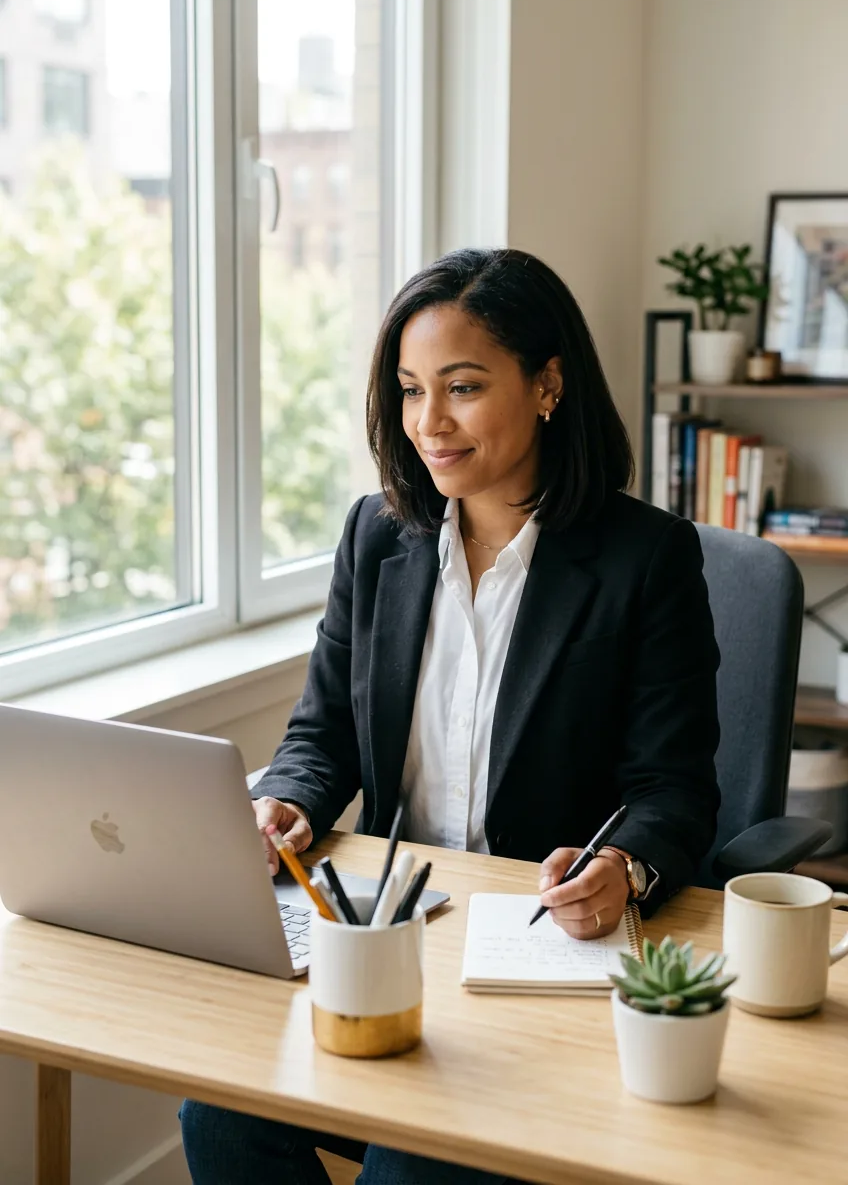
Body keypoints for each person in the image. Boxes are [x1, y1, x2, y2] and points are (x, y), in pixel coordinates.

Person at [180, 248, 720, 1184]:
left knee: (414, 1164)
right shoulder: (377, 536)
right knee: (218, 1112)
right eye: (409, 389)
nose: (429, 423)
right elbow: (323, 733)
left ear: (548, 384)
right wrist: (293, 805)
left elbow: (673, 786)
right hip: (394, 924)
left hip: (537, 952)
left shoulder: (647, 559)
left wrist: (624, 869)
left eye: (462, 387)